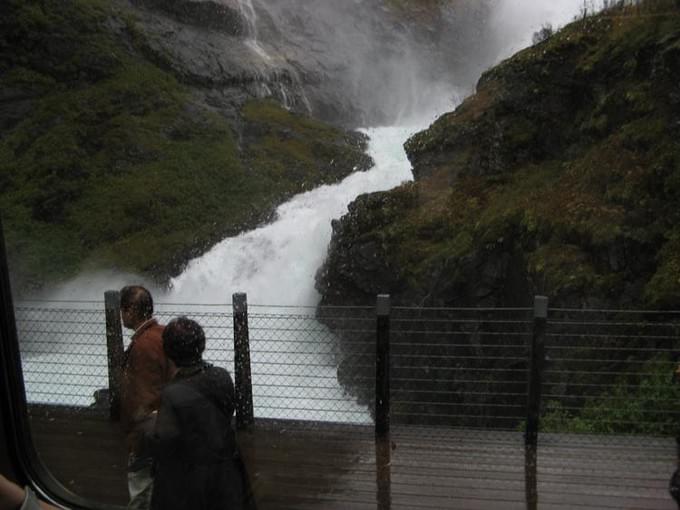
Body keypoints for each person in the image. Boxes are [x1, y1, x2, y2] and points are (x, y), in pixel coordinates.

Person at [148, 317, 250, 510]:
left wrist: (147, 429)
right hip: (226, 472)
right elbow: (227, 410)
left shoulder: (173, 393)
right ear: (201, 345)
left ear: (169, 352)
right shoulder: (221, 375)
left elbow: (166, 440)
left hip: (191, 480)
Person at [119, 286, 170, 510]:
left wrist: (135, 436)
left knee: (141, 492)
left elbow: (144, 397)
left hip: (149, 434)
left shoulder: (142, 346)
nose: (121, 316)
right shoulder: (163, 333)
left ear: (130, 310)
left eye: (123, 310)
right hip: (168, 426)